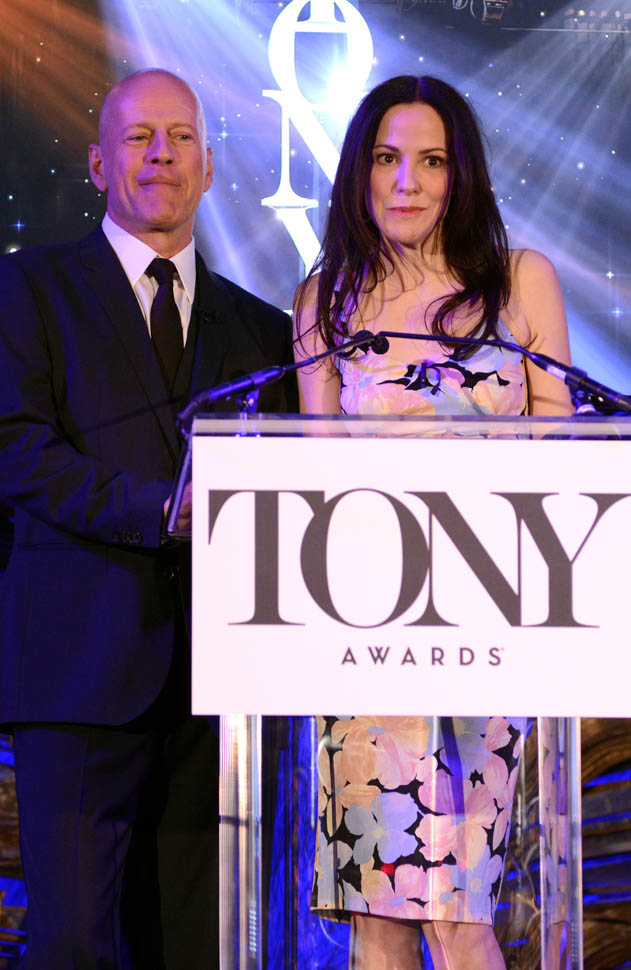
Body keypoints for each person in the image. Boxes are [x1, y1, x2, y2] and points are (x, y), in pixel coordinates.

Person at [0, 68, 296, 970]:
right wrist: (161, 508)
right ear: (97, 164)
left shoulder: (263, 328)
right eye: (138, 137)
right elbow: (13, 449)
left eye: (181, 137)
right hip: (76, 672)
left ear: (208, 167)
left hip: (219, 691)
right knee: (77, 946)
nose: (162, 154)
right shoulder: (26, 288)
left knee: (197, 948)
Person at [293, 75, 573, 970]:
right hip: (368, 632)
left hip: (486, 624)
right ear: (359, 172)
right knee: (376, 918)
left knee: (461, 916)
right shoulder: (325, 301)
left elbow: (564, 454)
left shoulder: (520, 282)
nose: (406, 181)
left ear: (461, 175)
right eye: (386, 158)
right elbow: (315, 478)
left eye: (430, 160)